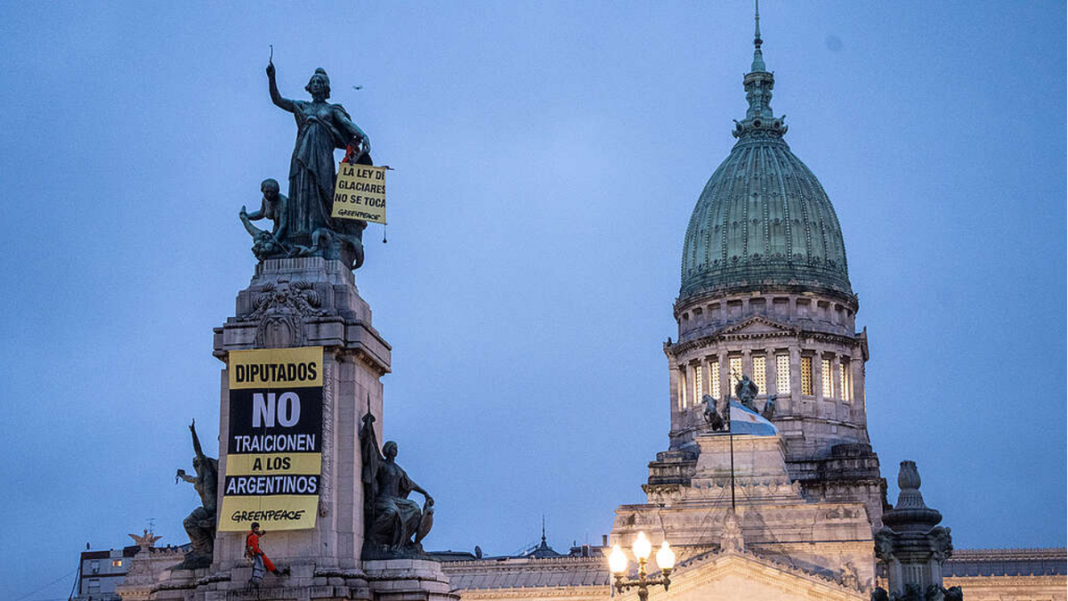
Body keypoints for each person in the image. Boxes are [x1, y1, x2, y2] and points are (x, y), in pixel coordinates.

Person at [266, 61, 371, 248]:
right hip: (302, 154)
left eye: (319, 82)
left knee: (324, 190)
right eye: (313, 82)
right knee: (302, 188)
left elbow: (346, 124)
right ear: (309, 86)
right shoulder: (302, 106)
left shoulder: (331, 109)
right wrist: (272, 77)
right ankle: (300, 232)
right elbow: (278, 100)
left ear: (325, 87)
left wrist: (363, 135)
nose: (316, 85)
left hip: (322, 156)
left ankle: (326, 228)